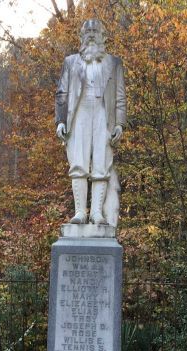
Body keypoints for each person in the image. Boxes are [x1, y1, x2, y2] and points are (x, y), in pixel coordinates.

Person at [55, 19, 126, 226]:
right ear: (81, 36)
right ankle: (79, 212)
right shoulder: (70, 62)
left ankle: (96, 213)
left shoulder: (114, 63)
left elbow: (120, 96)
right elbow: (62, 93)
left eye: (96, 31)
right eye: (88, 31)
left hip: (104, 115)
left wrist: (120, 124)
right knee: (78, 162)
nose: (92, 34)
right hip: (79, 114)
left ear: (104, 36)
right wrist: (60, 121)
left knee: (101, 164)